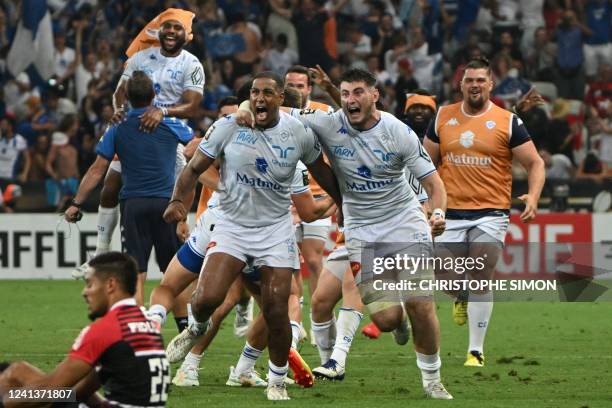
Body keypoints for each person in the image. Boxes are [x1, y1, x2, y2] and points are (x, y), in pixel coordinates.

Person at [237, 68, 451, 399]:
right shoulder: (325, 121)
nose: (351, 100)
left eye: (358, 93)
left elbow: (434, 184)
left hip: (404, 221)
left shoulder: (398, 131)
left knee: (421, 303)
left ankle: (432, 380)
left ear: (375, 95)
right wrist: (242, 110)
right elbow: (269, 105)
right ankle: (399, 319)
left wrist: (437, 213)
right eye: (346, 94)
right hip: (362, 230)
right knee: (387, 319)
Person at [163, 71, 342, 400]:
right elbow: (192, 168)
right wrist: (177, 201)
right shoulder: (229, 127)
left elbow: (324, 174)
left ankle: (275, 380)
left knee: (276, 308)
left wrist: (344, 202)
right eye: (255, 93)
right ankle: (196, 328)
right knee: (205, 300)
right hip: (231, 227)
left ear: (280, 99)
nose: (260, 98)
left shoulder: (298, 134)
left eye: (268, 93)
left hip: (274, 231)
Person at [423, 57, 545, 367]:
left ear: (490, 84)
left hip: (491, 212)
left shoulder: (508, 121)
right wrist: (425, 204)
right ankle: (462, 297)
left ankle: (475, 351)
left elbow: (535, 163)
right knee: (442, 273)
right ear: (460, 84)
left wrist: (533, 195)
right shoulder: (442, 117)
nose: (475, 85)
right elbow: (424, 165)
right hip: (448, 212)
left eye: (480, 80)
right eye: (469, 80)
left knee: (481, 271)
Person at [77, 8, 204, 278]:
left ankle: (186, 259)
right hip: (136, 130)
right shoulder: (140, 58)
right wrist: (121, 109)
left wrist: (163, 112)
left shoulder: (191, 64)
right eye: (166, 26)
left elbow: (193, 105)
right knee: (110, 186)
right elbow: (121, 93)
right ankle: (99, 255)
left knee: (177, 199)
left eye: (177, 28)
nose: (170, 32)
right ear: (158, 30)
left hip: (169, 136)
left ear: (186, 35)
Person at [64, 71, 194, 306]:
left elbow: (96, 170)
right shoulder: (170, 123)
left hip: (133, 205)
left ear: (126, 97)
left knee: (136, 273)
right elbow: (197, 146)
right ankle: (185, 331)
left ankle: (136, 327)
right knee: (173, 273)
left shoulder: (117, 127)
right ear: (154, 95)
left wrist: (76, 203)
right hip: (167, 203)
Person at [0, 252, 170, 407]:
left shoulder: (107, 329)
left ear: (110, 285)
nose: (84, 292)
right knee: (19, 371)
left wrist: (5, 400)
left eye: (89, 284)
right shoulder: (147, 325)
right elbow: (81, 392)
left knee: (14, 385)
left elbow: (50, 388)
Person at [284, 64, 335, 344]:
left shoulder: (323, 114)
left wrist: (337, 192)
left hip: (316, 195)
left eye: (300, 85)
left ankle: (318, 321)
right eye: (290, 84)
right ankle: (295, 320)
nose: (294, 89)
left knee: (315, 261)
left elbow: (337, 151)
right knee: (289, 266)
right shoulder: (275, 113)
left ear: (309, 89)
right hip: (285, 198)